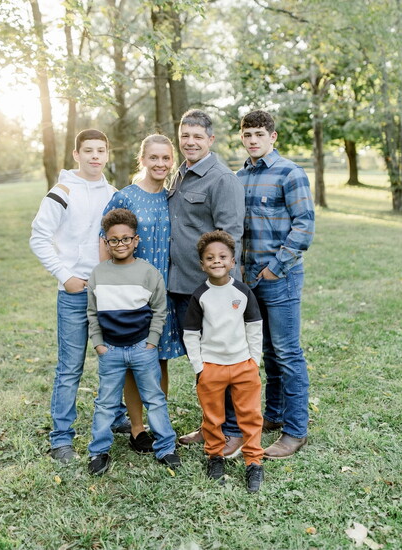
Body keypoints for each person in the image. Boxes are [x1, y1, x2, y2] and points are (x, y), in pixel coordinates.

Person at [30, 129, 130, 464]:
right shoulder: (62, 192)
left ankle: (116, 418)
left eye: (101, 151)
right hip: (74, 293)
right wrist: (65, 276)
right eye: (88, 151)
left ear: (107, 154)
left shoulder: (114, 194)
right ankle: (61, 439)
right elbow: (39, 237)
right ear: (76, 155)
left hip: (107, 293)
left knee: (113, 360)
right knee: (70, 367)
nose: (95, 157)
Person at [167, 109, 246, 458]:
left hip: (210, 291)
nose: (190, 142)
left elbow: (231, 239)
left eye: (198, 136)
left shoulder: (222, 179)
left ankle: (231, 431)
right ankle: (210, 425)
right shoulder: (179, 175)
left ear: (210, 140)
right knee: (201, 363)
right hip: (181, 285)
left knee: (221, 362)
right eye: (185, 135)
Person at [237, 109, 315, 459]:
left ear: (273, 136)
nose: (252, 140)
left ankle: (295, 431)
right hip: (249, 279)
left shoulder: (290, 173)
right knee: (267, 352)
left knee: (287, 353)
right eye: (247, 134)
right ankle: (275, 413)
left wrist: (275, 268)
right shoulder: (239, 176)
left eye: (258, 134)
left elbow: (304, 226)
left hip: (279, 278)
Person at [101, 134, 184, 454]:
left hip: (163, 291)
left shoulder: (172, 197)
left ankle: (156, 422)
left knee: (159, 359)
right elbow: (105, 239)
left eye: (166, 158)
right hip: (130, 294)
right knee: (134, 362)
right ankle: (137, 429)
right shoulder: (126, 197)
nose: (160, 164)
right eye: (154, 158)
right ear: (143, 159)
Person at [86, 208, 180, 475]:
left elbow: (160, 310)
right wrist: (99, 344)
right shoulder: (98, 274)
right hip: (110, 350)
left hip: (142, 348)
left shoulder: (148, 272)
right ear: (106, 242)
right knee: (105, 402)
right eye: (114, 240)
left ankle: (166, 448)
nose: (120, 244)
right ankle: (98, 452)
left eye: (126, 239)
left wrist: (152, 341)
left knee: (155, 399)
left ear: (136, 240)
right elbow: (92, 312)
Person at [183, 231, 264, 493]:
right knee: (212, 417)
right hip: (212, 367)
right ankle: (215, 457)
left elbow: (254, 327)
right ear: (202, 265)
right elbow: (191, 334)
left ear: (232, 261)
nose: (216, 261)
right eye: (210, 258)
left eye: (222, 257)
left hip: (243, 365)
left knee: (250, 415)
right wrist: (199, 367)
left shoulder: (242, 292)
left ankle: (254, 461)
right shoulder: (200, 295)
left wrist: (254, 361)